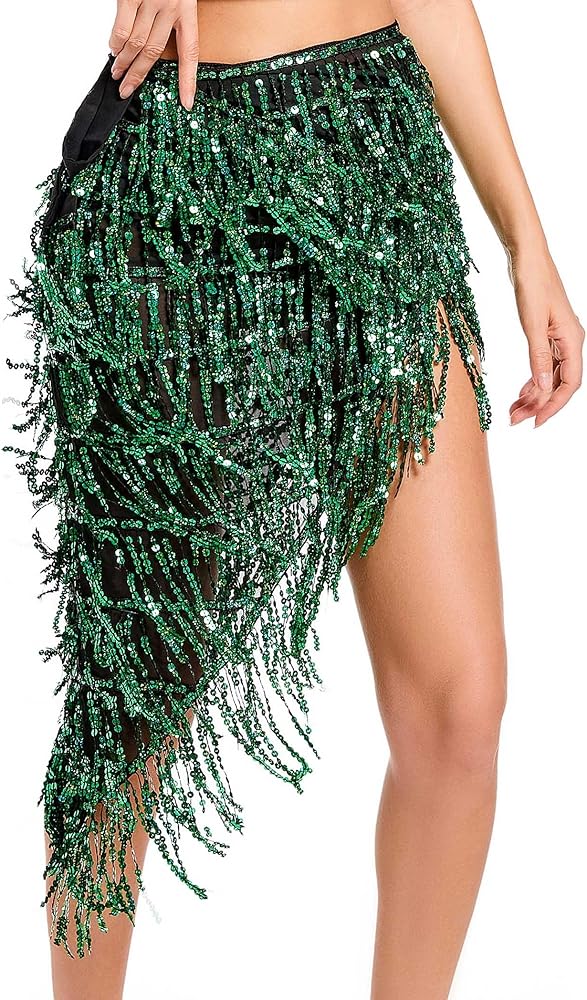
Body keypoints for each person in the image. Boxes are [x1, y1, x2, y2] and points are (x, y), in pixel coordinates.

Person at [5, 1, 583, 998]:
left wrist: (524, 239)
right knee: (134, 705)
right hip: (183, 174)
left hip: (375, 158)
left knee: (458, 709)